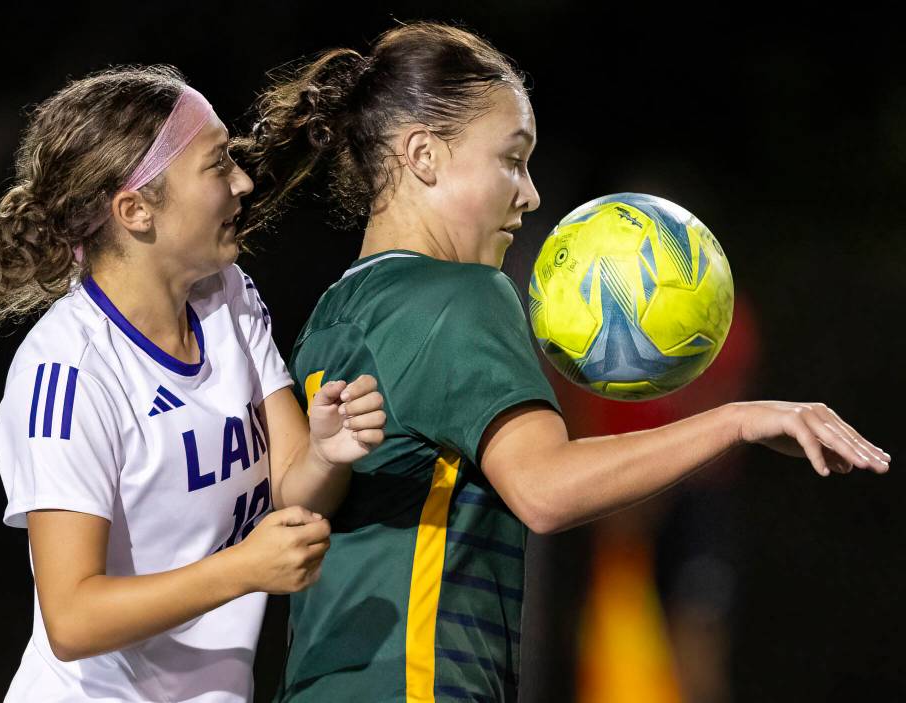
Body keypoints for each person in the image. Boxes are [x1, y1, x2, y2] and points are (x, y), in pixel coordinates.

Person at [234, 22, 891, 703]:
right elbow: (544, 489)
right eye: (511, 160)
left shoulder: (331, 314)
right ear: (424, 156)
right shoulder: (460, 295)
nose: (531, 194)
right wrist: (733, 421)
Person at [0, 65, 385, 703]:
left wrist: (326, 451)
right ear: (135, 210)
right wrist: (241, 570)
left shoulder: (226, 297)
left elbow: (295, 488)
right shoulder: (70, 374)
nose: (242, 181)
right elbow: (72, 618)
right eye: (216, 166)